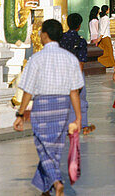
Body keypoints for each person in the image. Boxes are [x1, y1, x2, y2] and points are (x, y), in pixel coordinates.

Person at [13, 18, 84, 196]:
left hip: (42, 106)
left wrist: (20, 114)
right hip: (62, 106)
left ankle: (56, 182)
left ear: (44, 35)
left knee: (43, 148)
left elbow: (28, 90)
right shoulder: (70, 58)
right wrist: (78, 117)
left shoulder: (36, 59)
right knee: (54, 148)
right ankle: (45, 189)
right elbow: (74, 91)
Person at [60, 12, 95, 135]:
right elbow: (81, 61)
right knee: (81, 99)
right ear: (79, 26)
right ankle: (83, 124)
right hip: (75, 73)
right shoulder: (80, 41)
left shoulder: (61, 38)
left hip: (62, 73)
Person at [94, 3, 115, 69]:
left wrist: (99, 37)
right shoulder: (106, 18)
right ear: (107, 10)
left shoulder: (101, 18)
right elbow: (103, 28)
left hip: (101, 36)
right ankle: (112, 64)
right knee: (109, 51)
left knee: (104, 51)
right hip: (105, 36)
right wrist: (100, 37)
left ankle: (104, 63)